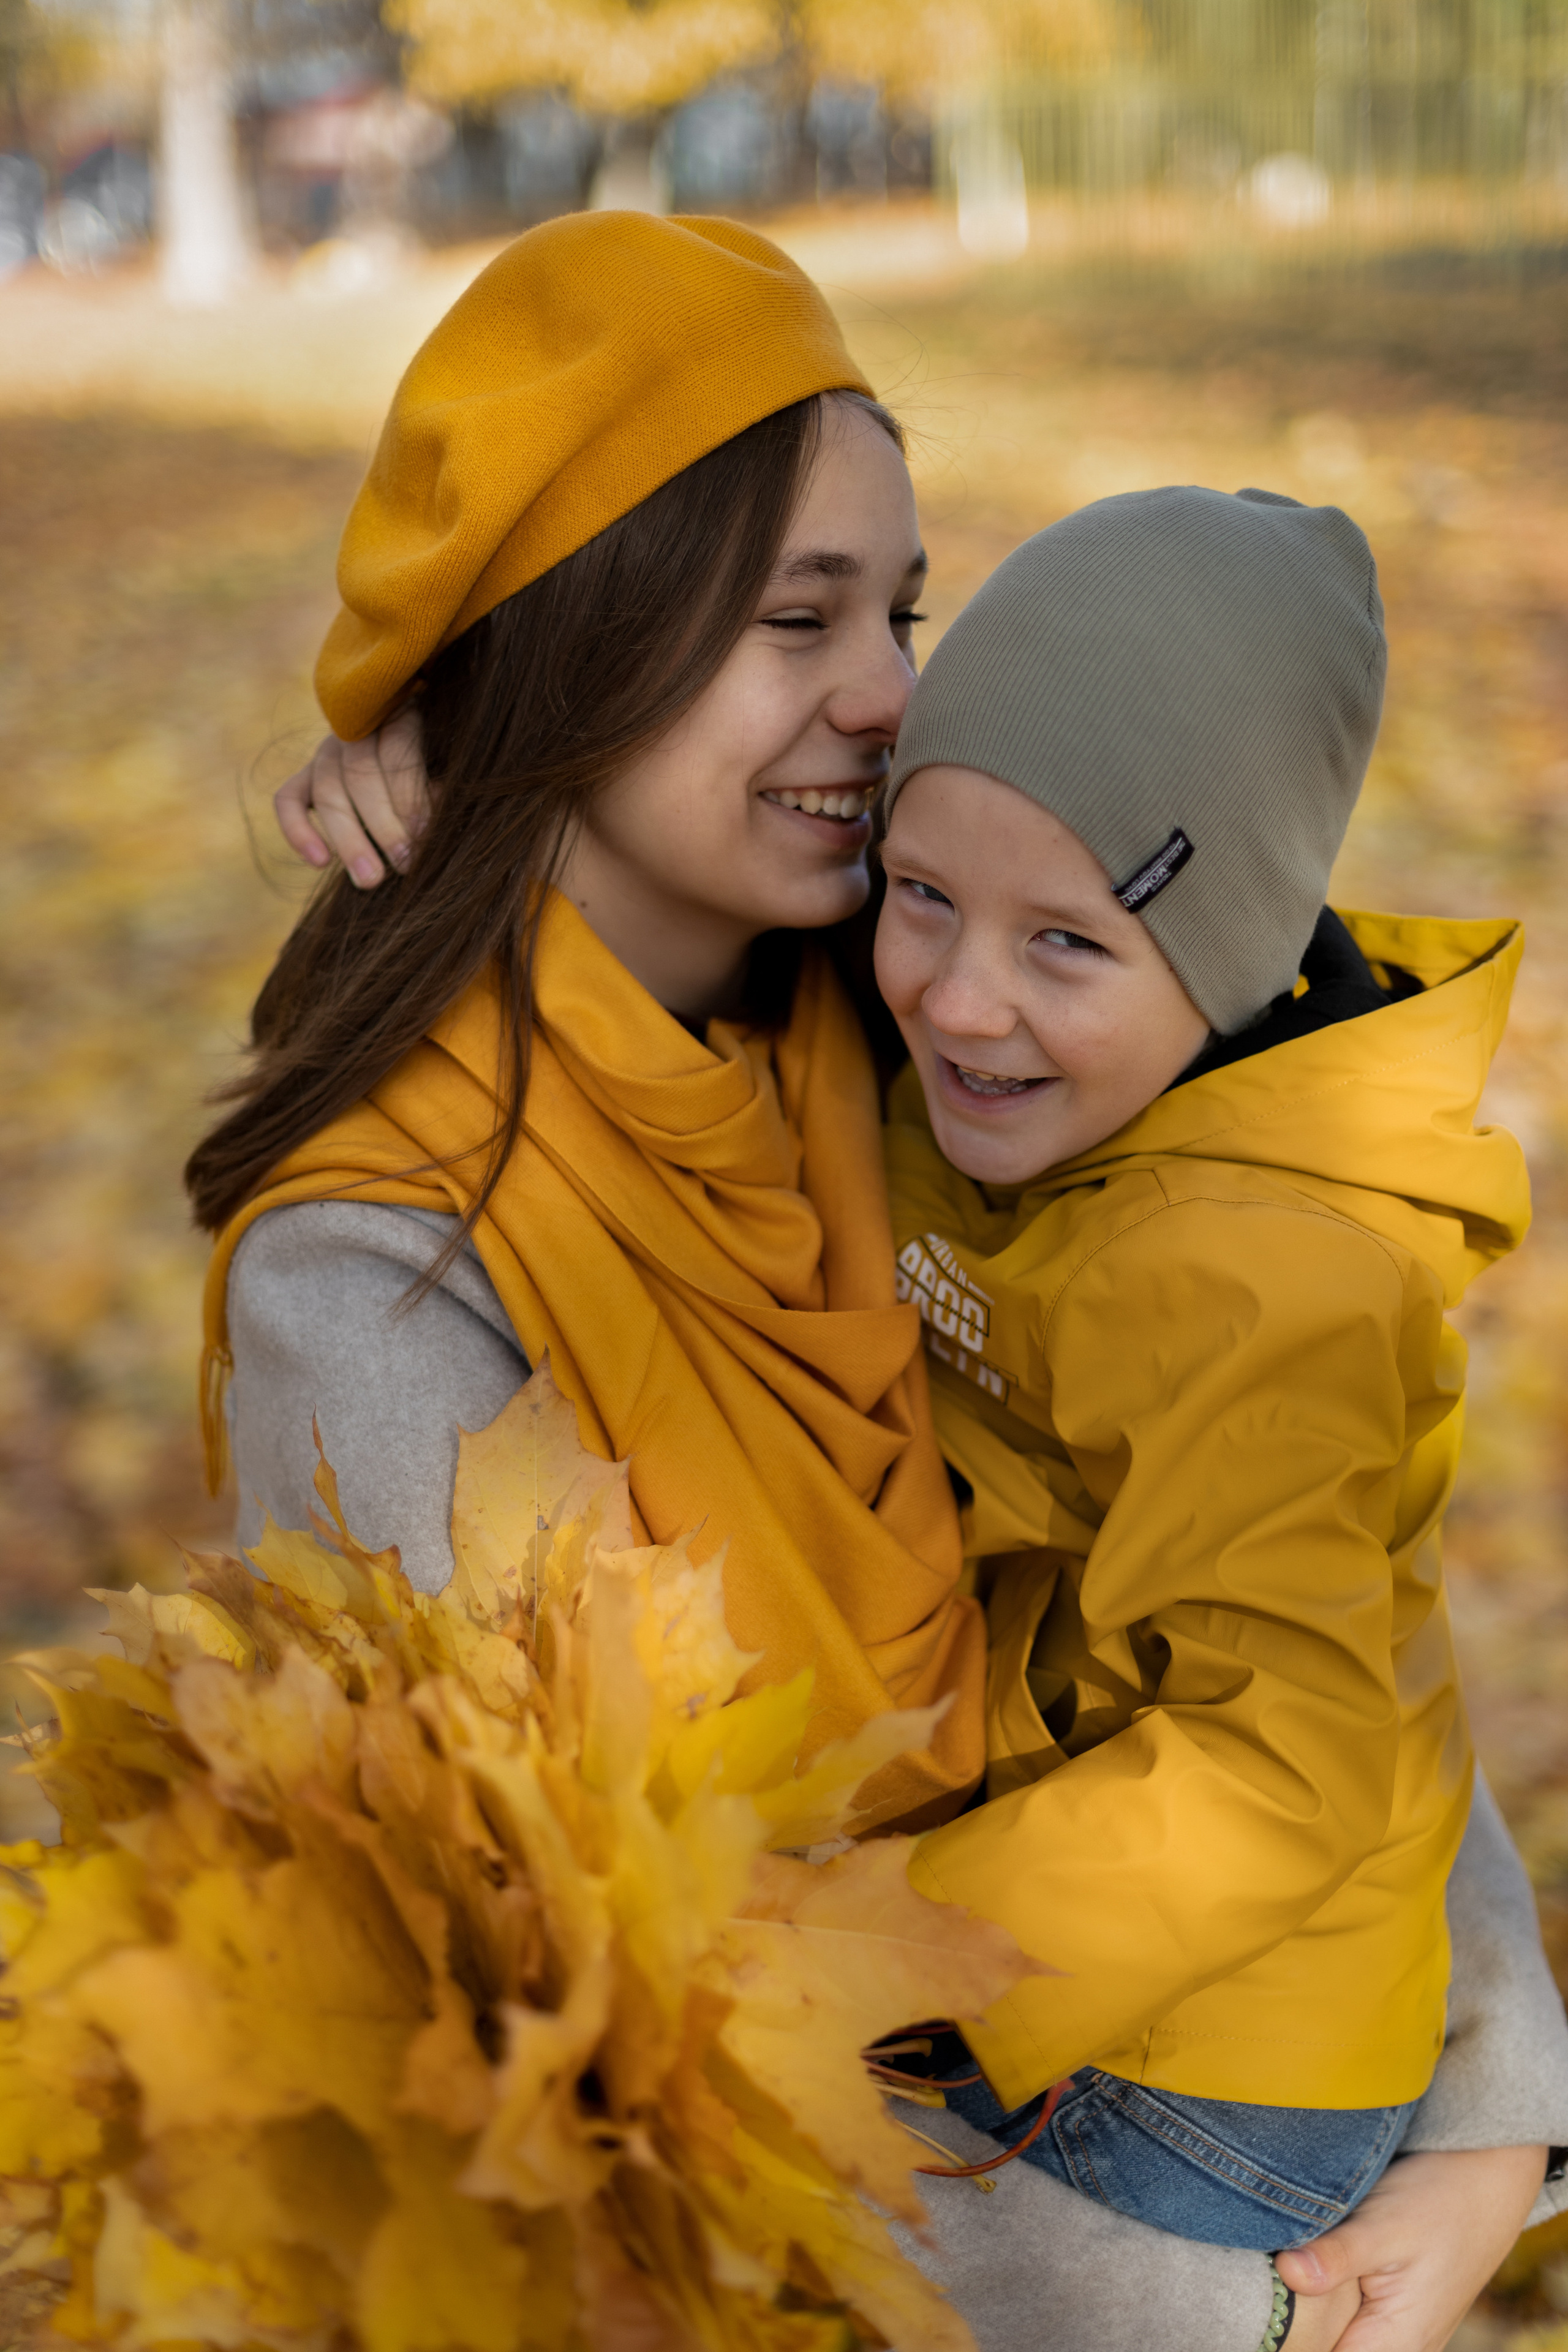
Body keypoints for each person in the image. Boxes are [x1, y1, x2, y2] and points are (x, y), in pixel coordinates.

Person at [218, 222, 1567, 2348]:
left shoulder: (913, 1034)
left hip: (1183, 2079)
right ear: (576, 645)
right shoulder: (386, 1276)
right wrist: (1250, 2328)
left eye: (905, 608)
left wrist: (1498, 2105)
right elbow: (598, 2118)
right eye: (797, 618)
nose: (893, 691)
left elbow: (1287, 1588)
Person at [870, 484, 1567, 2322]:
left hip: (1211, 2074)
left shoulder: (1266, 1288)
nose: (959, 998)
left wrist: (876, 1949)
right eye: (918, 896)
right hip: (1104, 1940)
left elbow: (1282, 1762)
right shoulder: (1045, 1084)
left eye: (1066, 946)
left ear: (1237, 956)